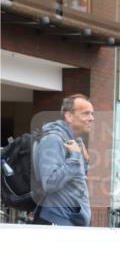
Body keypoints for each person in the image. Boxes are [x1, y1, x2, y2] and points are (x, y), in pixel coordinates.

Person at [32, 94, 94, 226]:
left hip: (70, 222)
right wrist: (76, 158)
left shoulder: (75, 142)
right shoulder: (53, 140)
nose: (91, 118)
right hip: (56, 221)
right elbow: (49, 183)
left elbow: (73, 182)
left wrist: (85, 162)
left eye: (92, 114)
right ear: (69, 116)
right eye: (86, 114)